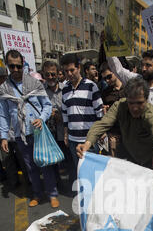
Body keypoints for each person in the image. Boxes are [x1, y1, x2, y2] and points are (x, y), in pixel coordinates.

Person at [0, 49, 60, 208]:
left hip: (38, 132)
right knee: (30, 167)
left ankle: (52, 194)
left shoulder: (34, 83)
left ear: (23, 64)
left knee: (45, 163)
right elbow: (4, 115)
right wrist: (4, 136)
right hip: (20, 135)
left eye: (18, 66)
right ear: (7, 66)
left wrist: (41, 118)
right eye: (12, 66)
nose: (16, 70)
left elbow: (47, 105)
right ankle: (37, 194)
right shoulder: (5, 88)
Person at [76, 77, 153, 176]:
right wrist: (87, 143)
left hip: (148, 161)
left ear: (146, 100)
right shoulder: (119, 106)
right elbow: (102, 124)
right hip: (127, 157)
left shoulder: (151, 114)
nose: (135, 108)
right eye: (131, 103)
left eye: (139, 103)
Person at [0, 65, 29, 191]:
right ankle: (13, 182)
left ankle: (29, 180)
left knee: (23, 158)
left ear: (4, 78)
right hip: (3, 134)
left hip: (18, 131)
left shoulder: (13, 90)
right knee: (7, 159)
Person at [61, 53, 104, 184]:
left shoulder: (91, 86)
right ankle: (85, 198)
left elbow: (99, 111)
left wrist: (100, 132)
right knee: (80, 171)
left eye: (72, 70)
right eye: (66, 71)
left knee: (92, 172)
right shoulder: (65, 89)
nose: (69, 74)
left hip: (89, 141)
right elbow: (65, 114)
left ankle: (96, 199)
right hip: (73, 140)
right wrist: (66, 134)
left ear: (78, 68)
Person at [106, 49, 153, 116]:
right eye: (142, 65)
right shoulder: (135, 81)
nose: (143, 68)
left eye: (148, 65)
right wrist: (108, 47)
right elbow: (118, 70)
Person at [42, 60, 73, 190]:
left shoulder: (66, 89)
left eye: (53, 74)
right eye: (47, 74)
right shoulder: (41, 91)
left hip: (65, 133)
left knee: (69, 161)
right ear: (43, 75)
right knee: (52, 161)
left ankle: (73, 185)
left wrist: (62, 115)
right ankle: (57, 184)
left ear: (58, 74)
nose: (50, 77)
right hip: (49, 134)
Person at [99, 61, 125, 157]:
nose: (107, 81)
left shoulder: (128, 88)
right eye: (105, 79)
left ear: (115, 72)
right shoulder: (105, 93)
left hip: (129, 133)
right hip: (114, 135)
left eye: (109, 77)